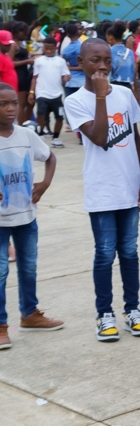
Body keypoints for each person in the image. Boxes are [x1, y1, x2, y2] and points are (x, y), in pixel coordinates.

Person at [63, 38, 140, 342]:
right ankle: (104, 314)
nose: (102, 66)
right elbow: (100, 138)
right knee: (104, 254)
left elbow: (137, 138)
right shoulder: (75, 101)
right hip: (102, 190)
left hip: (129, 187)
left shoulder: (126, 94)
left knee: (129, 251)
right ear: (81, 64)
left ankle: (133, 310)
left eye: (106, 61)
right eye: (94, 61)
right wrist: (101, 97)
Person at [0, 84, 61, 349]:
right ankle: (1, 326)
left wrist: (45, 184)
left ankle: (30, 314)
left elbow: (50, 157)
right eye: (4, 104)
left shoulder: (26, 135)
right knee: (0, 271)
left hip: (26, 216)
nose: (11, 108)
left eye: (14, 102)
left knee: (29, 266)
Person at [29, 38, 70, 147]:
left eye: (51, 48)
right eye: (46, 48)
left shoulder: (61, 61)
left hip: (57, 94)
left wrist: (66, 78)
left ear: (55, 48)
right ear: (43, 48)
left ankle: (56, 138)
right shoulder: (39, 61)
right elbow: (34, 77)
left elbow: (64, 76)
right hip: (42, 93)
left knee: (59, 117)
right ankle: (41, 134)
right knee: (41, 114)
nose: (49, 51)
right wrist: (31, 92)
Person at [105, 21, 138, 103]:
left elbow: (107, 72)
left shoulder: (108, 52)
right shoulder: (129, 52)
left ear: (110, 37)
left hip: (114, 86)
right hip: (128, 86)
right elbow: (133, 71)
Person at [60, 23, 85, 99]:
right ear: (77, 32)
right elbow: (84, 67)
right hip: (82, 82)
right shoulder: (83, 47)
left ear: (68, 34)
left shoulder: (65, 50)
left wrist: (69, 68)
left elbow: (63, 66)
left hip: (70, 82)